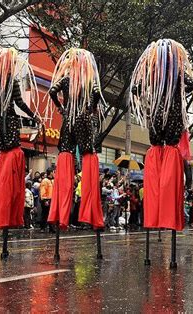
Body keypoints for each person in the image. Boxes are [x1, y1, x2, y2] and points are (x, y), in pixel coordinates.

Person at [131, 39, 193, 231]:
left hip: (156, 117)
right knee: (170, 153)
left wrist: (148, 97)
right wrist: (179, 91)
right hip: (173, 116)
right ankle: (168, 215)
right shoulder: (176, 72)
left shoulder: (153, 73)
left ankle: (154, 215)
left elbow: (136, 89)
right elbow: (191, 84)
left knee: (155, 155)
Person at [0, 47, 41, 230]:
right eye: (12, 62)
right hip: (6, 127)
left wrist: (32, 115)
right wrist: (33, 115)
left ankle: (6, 217)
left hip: (4, 126)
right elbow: (19, 103)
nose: (13, 65)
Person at [47, 48, 106, 230]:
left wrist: (62, 109)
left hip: (68, 121)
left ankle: (61, 214)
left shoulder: (65, 79)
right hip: (82, 119)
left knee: (65, 156)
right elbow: (97, 93)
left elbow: (51, 92)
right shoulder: (88, 80)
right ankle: (89, 214)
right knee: (88, 156)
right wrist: (90, 109)